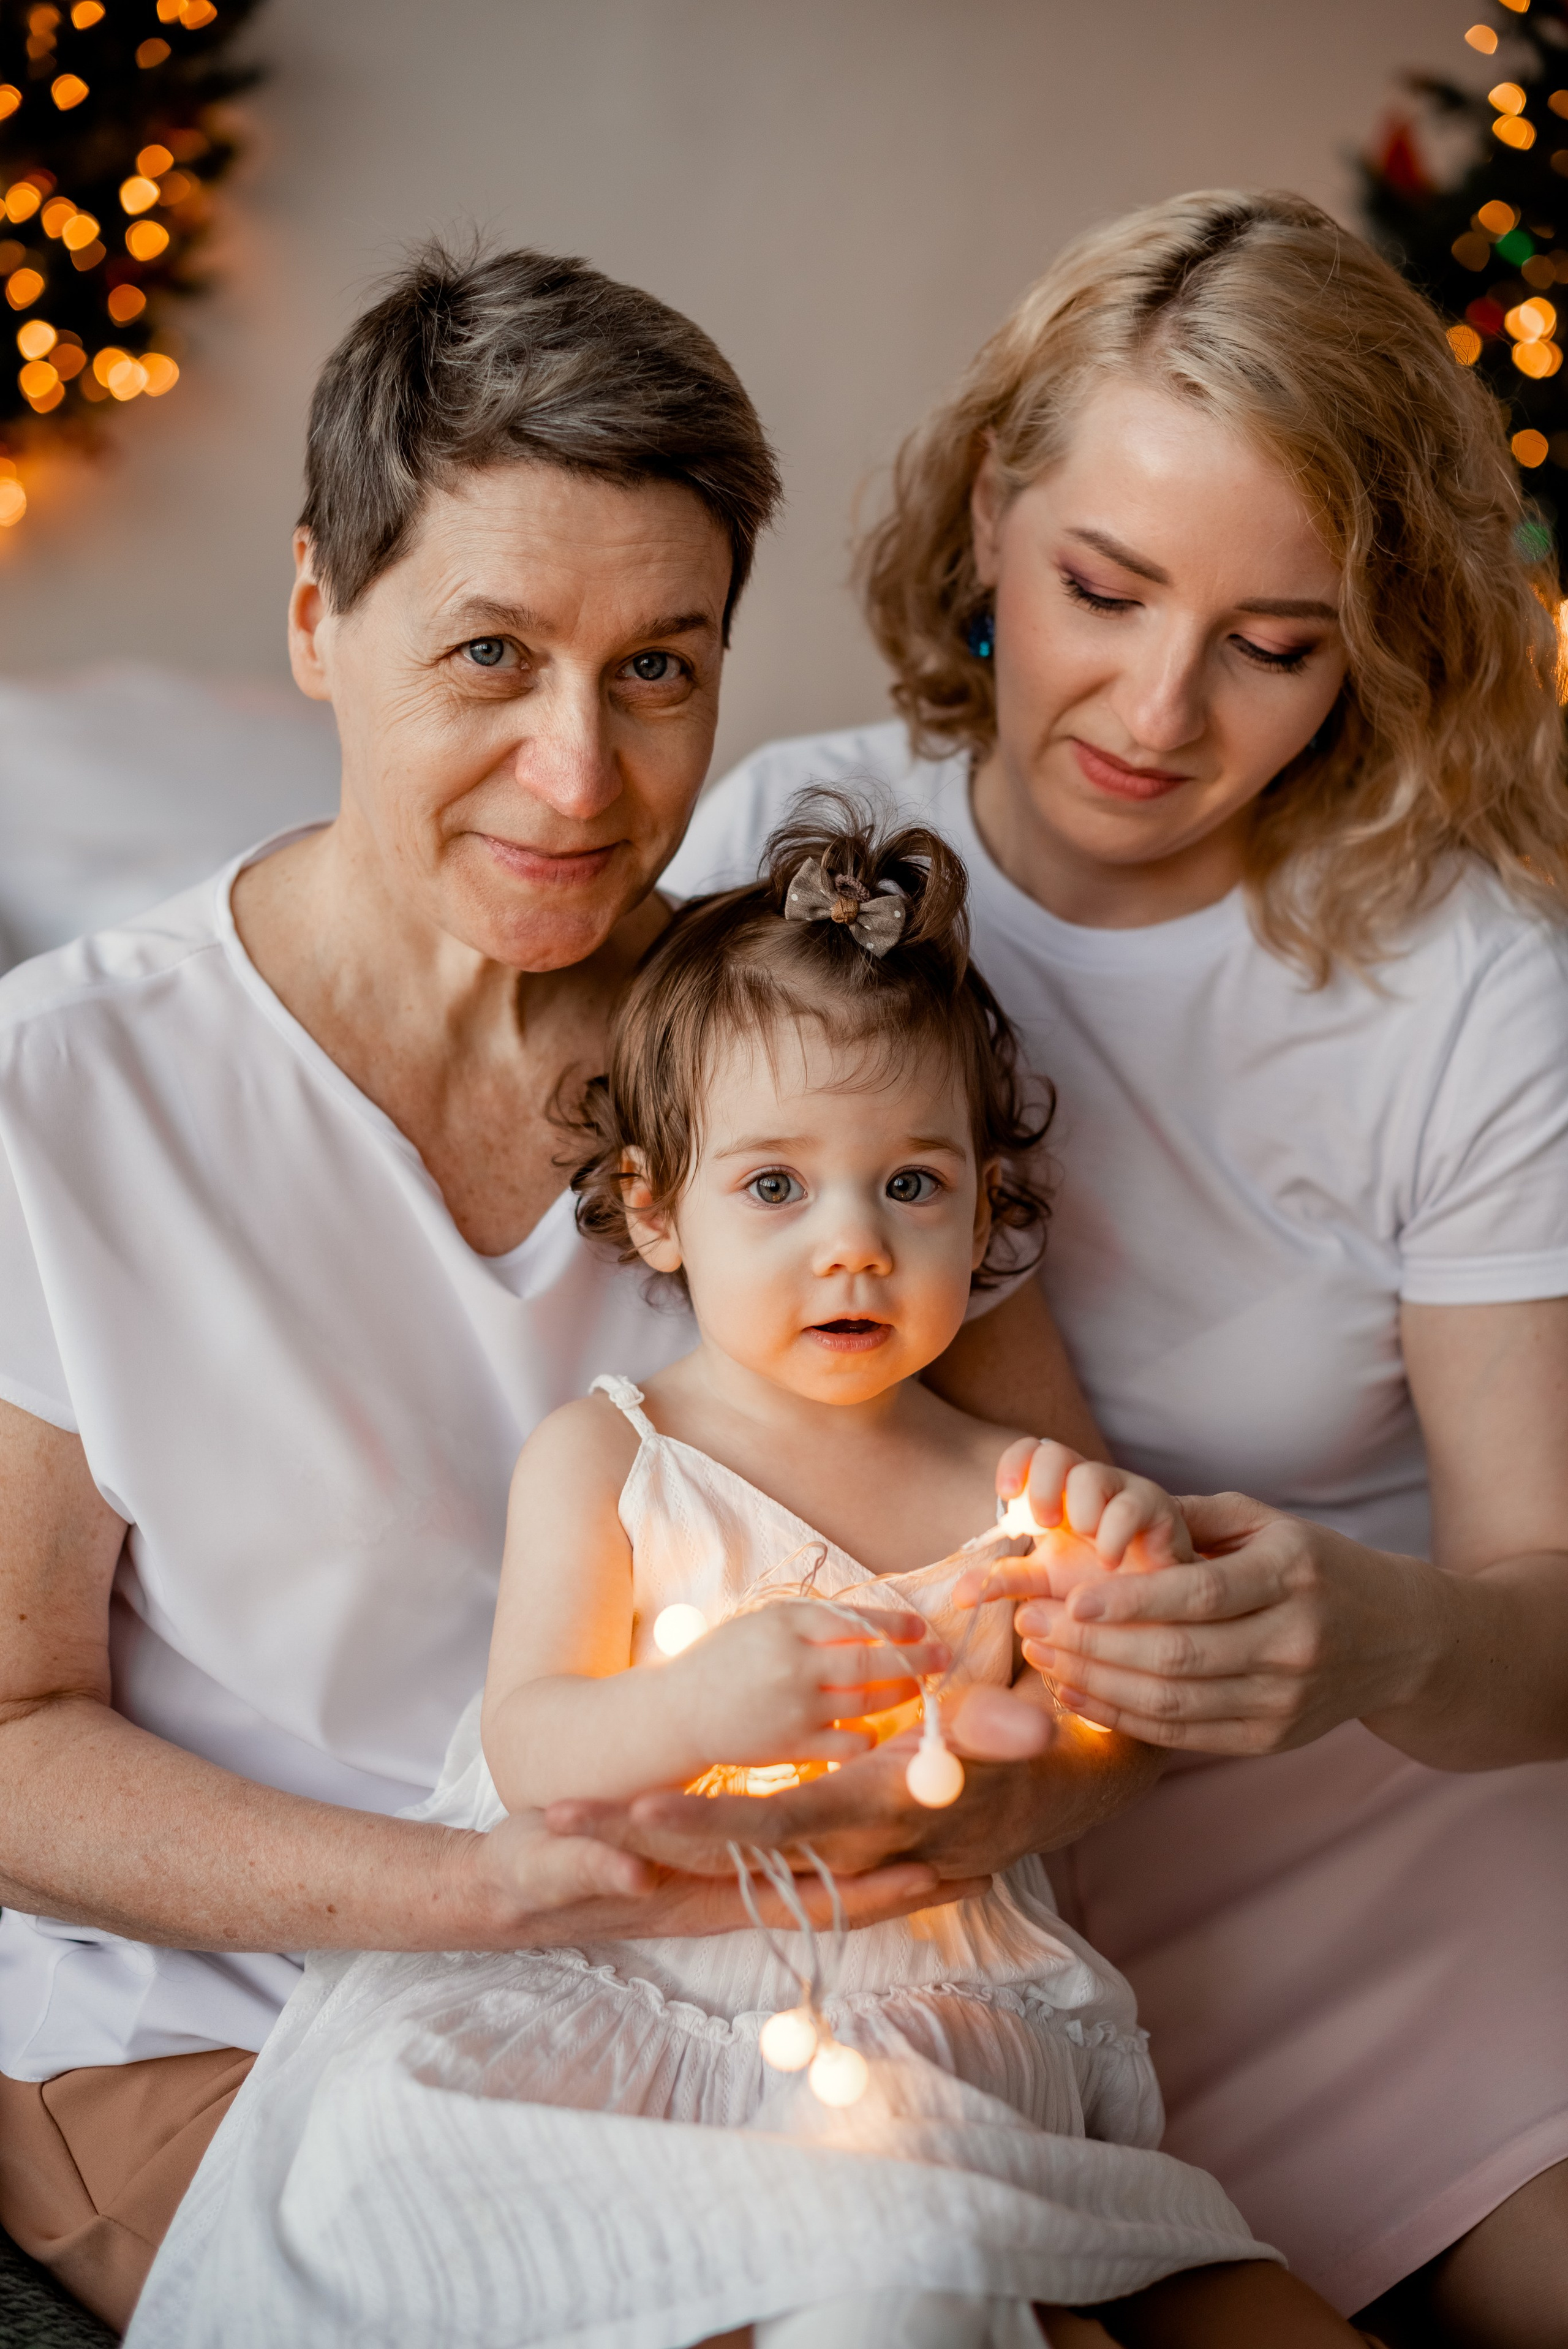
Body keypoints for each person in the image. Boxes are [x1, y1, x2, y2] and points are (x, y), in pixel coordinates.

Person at [0, 244, 1133, 2336]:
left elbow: (1074, 1589)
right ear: (322, 618)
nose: (579, 777)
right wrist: (492, 1885)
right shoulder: (63, 1096)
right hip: (219, 2028)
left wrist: (980, 1785)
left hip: (743, 2012)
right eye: (494, 654)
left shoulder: (802, 1048)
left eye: (657, 669)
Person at [657, 190, 1568, 2348]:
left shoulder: (1463, 985)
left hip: (1409, 1900)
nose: (1159, 706)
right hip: (964, 1922)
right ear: (992, 515)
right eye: (1104, 588)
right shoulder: (797, 856)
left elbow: (1547, 1622)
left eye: (1278, 640)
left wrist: (1380, 1638)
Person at [129, 802, 1369, 2349]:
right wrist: (702, 1699)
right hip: (629, 1980)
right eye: (774, 1188)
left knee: (910, 2262)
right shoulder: (609, 1455)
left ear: (985, 1206)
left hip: (919, 2010)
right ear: (657, 1207)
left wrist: (1110, 1569)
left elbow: (1107, 1719)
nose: (850, 1244)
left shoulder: (1001, 1483)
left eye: (909, 1186)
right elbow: (529, 1741)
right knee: (431, 2180)